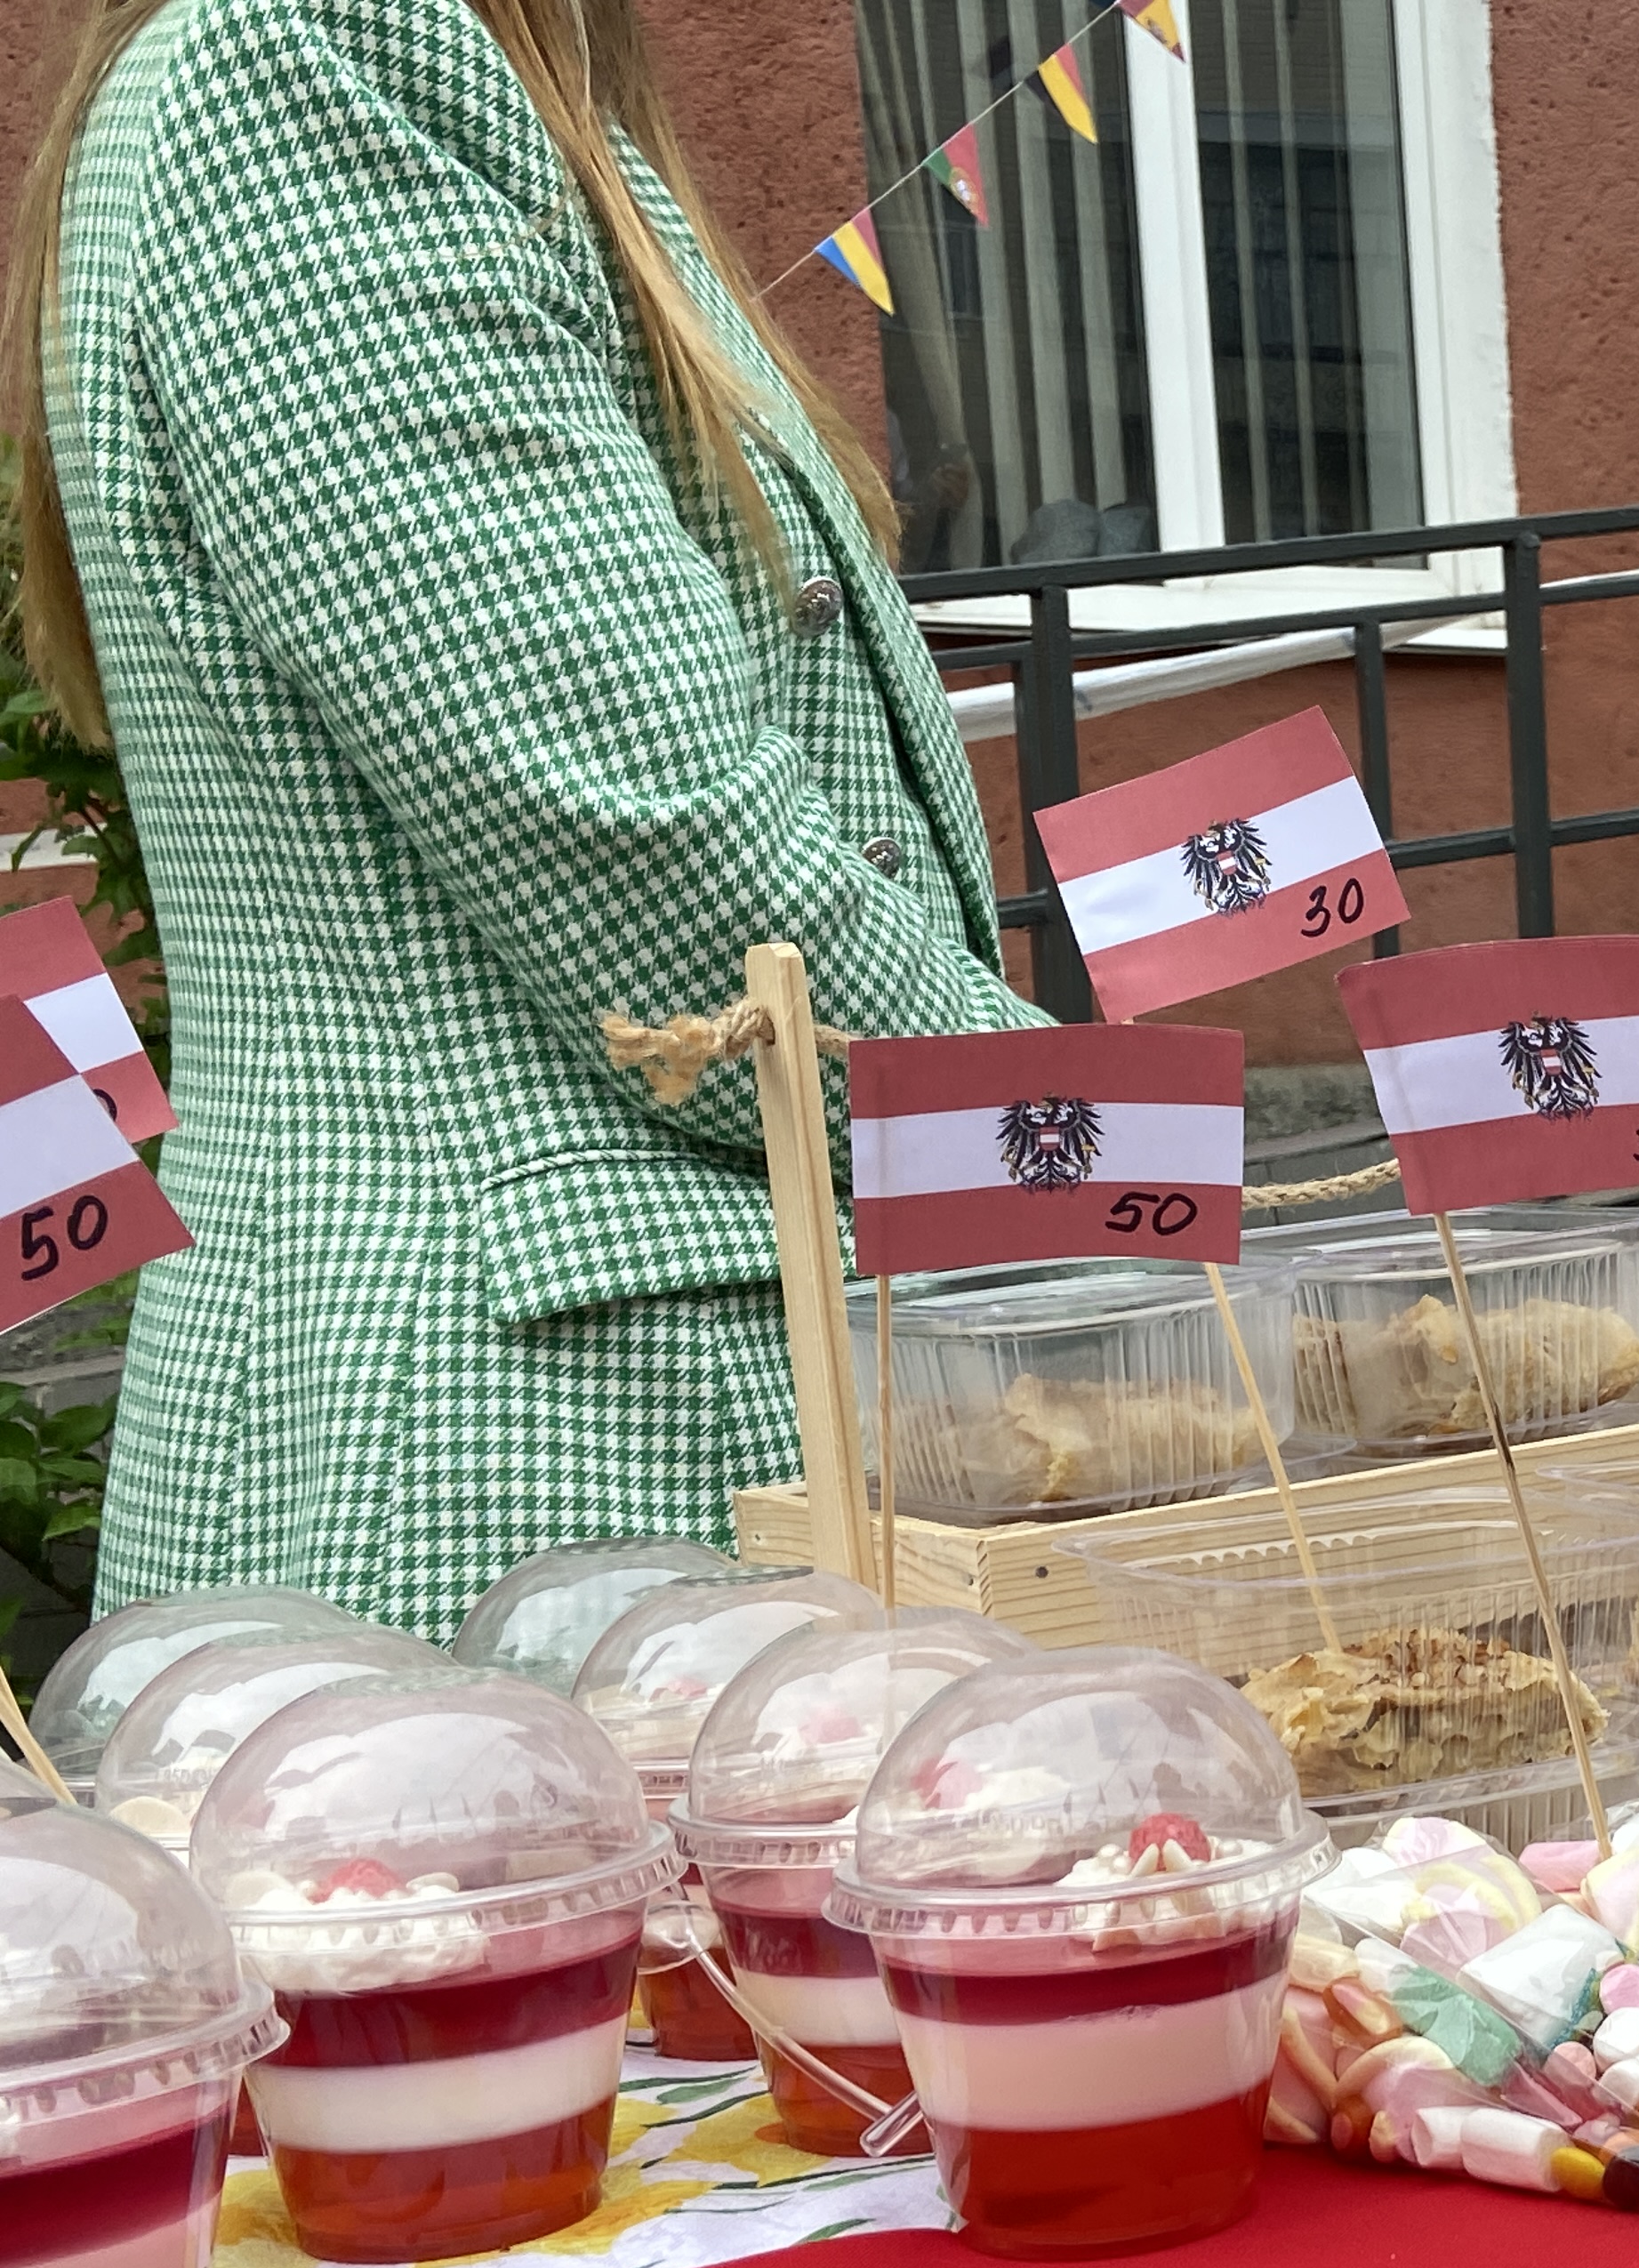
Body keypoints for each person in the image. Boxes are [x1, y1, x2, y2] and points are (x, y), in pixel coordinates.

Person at [7, 0, 1040, 1640]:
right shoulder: (315, 52)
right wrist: (1085, 1154)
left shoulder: (478, 76)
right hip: (534, 1439)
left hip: (585, 1401)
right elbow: (653, 838)